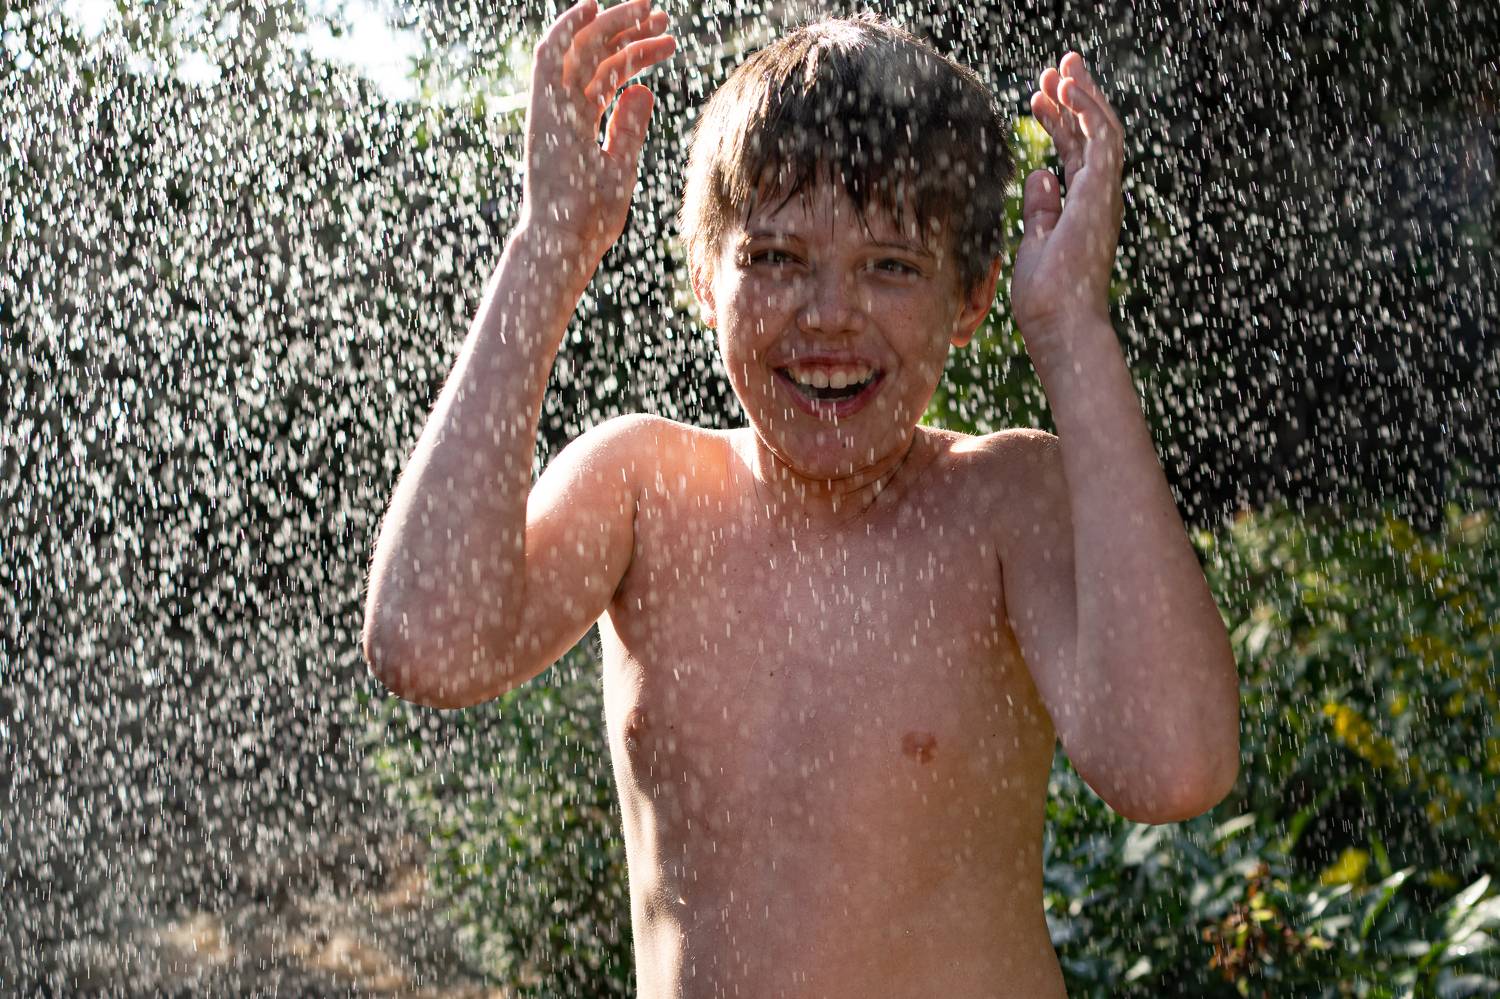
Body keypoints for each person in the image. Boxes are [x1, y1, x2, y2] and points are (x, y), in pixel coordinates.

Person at [361, 1, 1241, 994]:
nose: (828, 315)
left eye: (891, 266)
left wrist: (1073, 330)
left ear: (972, 296)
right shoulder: (645, 492)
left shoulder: (1002, 506)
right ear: (706, 278)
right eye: (776, 259)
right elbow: (426, 644)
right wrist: (547, 248)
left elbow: (1171, 766)